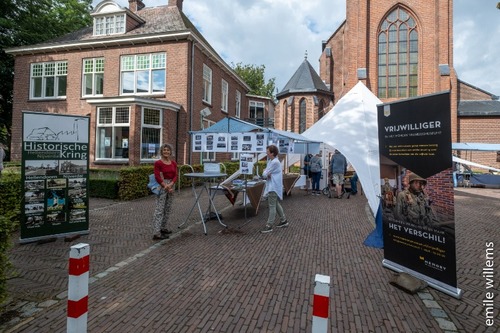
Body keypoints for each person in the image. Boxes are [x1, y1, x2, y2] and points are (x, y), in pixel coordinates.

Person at [152, 143, 178, 240]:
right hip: (162, 186)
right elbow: (157, 176)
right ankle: (156, 232)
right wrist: (165, 186)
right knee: (159, 209)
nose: (166, 151)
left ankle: (163, 228)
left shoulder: (173, 163)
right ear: (161, 151)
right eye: (164, 150)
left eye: (168, 150)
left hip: (171, 185)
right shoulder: (158, 163)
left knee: (168, 208)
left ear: (170, 152)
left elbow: (175, 175)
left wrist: (171, 184)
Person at [261, 145, 288, 233]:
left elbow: (264, 174)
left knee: (272, 206)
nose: (266, 153)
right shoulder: (272, 161)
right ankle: (283, 220)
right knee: (275, 204)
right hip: (273, 186)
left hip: (273, 187)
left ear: (272, 153)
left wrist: (266, 172)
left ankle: (269, 225)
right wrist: (266, 172)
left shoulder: (274, 162)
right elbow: (265, 173)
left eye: (268, 151)